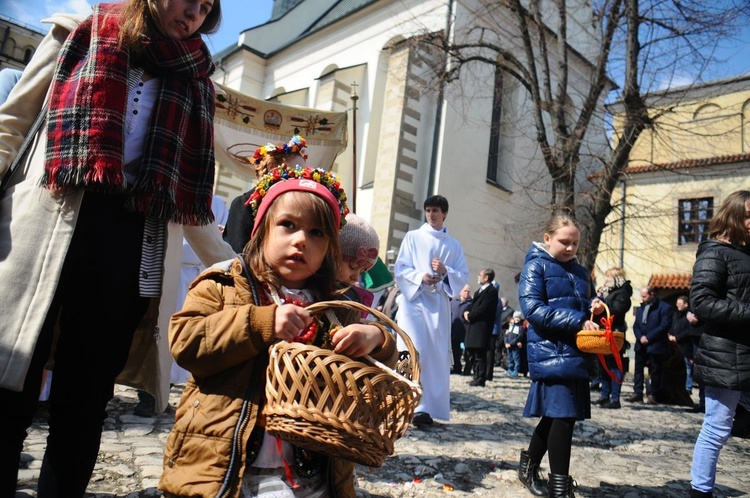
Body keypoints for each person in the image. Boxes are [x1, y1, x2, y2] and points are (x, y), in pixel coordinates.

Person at [0, 1, 226, 496]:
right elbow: (10, 124)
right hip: (45, 229)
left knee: (84, 401)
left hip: (127, 244)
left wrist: (240, 269)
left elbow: (193, 203)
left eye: (206, 8)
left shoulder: (196, 82)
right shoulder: (76, 34)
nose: (194, 13)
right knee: (10, 380)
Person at [159, 167, 397, 498]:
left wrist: (376, 340)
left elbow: (374, 374)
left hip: (311, 466)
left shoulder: (335, 306)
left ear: (330, 246)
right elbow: (187, 342)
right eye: (288, 225)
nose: (301, 240)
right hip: (229, 460)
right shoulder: (226, 282)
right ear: (262, 230)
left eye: (317, 233)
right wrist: (261, 323)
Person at [517, 213, 599, 498]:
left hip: (576, 352)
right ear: (548, 238)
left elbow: (583, 305)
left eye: (575, 243)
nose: (571, 248)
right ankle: (560, 487)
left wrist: (595, 306)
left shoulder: (580, 271)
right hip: (550, 352)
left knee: (558, 418)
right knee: (563, 418)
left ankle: (527, 468)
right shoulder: (535, 267)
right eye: (565, 242)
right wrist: (577, 320)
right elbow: (533, 310)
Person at [688, 190, 750, 498]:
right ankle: (701, 491)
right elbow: (702, 303)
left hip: (747, 353)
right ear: (734, 216)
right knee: (718, 428)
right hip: (725, 355)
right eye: (749, 215)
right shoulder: (714, 253)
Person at [394, 195, 469, 426]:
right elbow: (400, 267)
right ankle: (409, 405)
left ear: (444, 213)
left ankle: (427, 408)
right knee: (414, 351)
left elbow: (462, 276)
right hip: (414, 304)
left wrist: (445, 272)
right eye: (428, 210)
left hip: (438, 306)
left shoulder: (454, 245)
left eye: (435, 210)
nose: (431, 214)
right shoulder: (413, 237)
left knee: (434, 356)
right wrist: (419, 277)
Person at [223, 135, 308, 253]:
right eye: (295, 172)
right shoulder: (244, 204)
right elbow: (238, 253)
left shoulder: (296, 207)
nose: (298, 179)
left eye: (302, 174)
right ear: (272, 166)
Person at [590, 267, 633, 410]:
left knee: (614, 365)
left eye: (609, 277)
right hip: (606, 332)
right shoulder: (611, 293)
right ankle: (605, 395)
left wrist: (603, 306)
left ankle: (615, 398)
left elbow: (617, 312)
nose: (606, 280)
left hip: (615, 332)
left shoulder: (622, 294)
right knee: (604, 365)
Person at [625, 286, 673, 405]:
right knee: (638, 369)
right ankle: (637, 393)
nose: (643, 298)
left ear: (652, 294)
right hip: (641, 344)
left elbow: (664, 325)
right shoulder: (641, 307)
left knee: (655, 371)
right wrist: (640, 337)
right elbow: (636, 325)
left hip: (656, 345)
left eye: (645, 296)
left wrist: (649, 337)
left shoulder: (664, 308)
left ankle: (653, 394)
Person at [464, 269, 499, 387]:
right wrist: (466, 311)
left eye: (480, 275)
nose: (478, 277)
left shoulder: (491, 291)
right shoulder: (479, 291)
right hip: (473, 326)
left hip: (482, 327)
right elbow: (472, 305)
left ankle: (480, 377)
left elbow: (484, 308)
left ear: (486, 278)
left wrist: (471, 315)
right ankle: (476, 375)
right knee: (472, 352)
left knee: (479, 353)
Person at [669, 295, 694, 393]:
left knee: (687, 367)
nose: (678, 306)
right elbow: (671, 326)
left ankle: (687, 387)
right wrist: (670, 335)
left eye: (680, 304)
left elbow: (688, 331)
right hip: (673, 345)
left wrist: (677, 337)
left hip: (684, 345)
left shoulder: (689, 316)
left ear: (686, 304)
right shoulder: (674, 314)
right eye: (677, 304)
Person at [450, 284, 473, 374]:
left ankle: (467, 369)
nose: (466, 293)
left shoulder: (470, 303)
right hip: (455, 331)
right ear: (460, 292)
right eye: (465, 291)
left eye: (468, 291)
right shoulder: (453, 302)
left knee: (467, 352)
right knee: (455, 351)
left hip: (466, 331)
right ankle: (457, 368)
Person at [494, 297, 515, 368]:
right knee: (498, 346)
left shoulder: (510, 311)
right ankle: (498, 360)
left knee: (505, 347)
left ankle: (506, 362)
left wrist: (499, 324)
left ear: (504, 303)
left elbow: (507, 320)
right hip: (499, 330)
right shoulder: (499, 310)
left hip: (505, 330)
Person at [504, 311, 525, 377]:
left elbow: (519, 337)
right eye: (515, 317)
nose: (516, 319)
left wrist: (512, 343)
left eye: (518, 317)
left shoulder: (520, 327)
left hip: (515, 346)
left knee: (516, 358)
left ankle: (516, 370)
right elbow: (506, 335)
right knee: (510, 358)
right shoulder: (511, 326)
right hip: (509, 346)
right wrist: (506, 342)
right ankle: (510, 369)